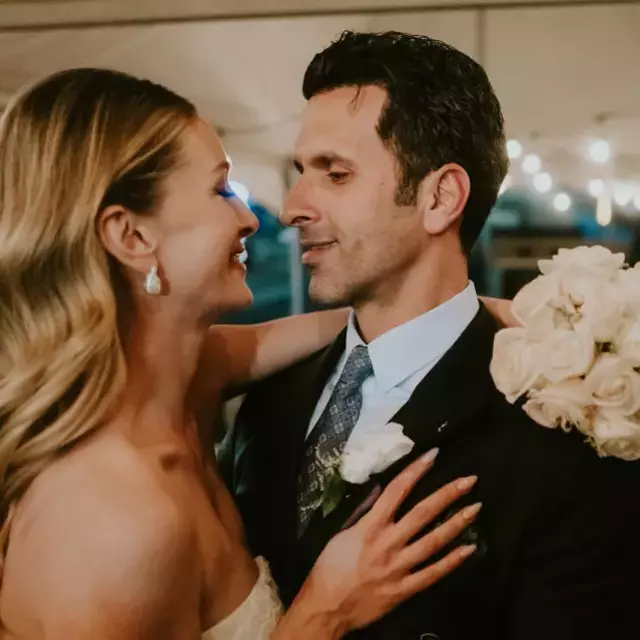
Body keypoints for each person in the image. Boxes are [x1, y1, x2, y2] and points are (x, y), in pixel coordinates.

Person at [0, 68, 488, 640]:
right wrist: (323, 612)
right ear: (132, 237)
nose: (252, 217)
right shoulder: (114, 524)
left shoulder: (184, 381)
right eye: (220, 190)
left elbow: (285, 337)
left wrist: (475, 310)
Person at [221, 31, 640, 639]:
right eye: (300, 172)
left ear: (441, 197)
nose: (291, 208)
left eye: (335, 174)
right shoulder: (269, 396)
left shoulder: (557, 426)